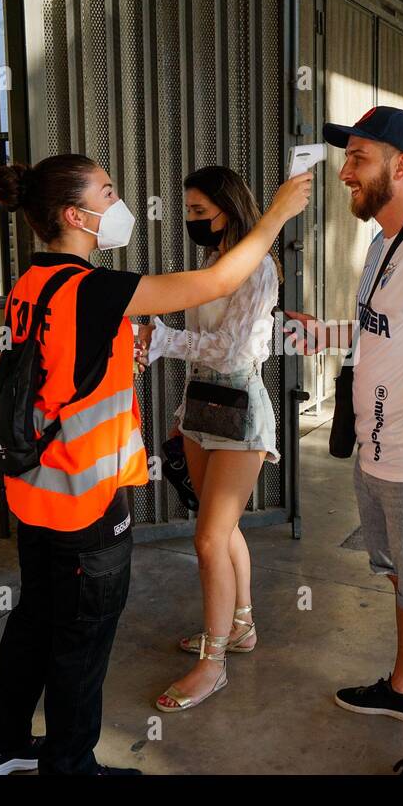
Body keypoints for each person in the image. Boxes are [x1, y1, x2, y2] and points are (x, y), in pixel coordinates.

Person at [0, 154, 311, 775]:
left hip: (37, 491)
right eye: (107, 191)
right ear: (76, 215)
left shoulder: (29, 285)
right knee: (83, 637)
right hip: (87, 497)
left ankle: (1, 746)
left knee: (36, 621)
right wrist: (276, 215)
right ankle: (71, 765)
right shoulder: (93, 289)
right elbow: (213, 285)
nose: (119, 201)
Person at [286, 106, 403, 775]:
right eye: (347, 158)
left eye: (359, 157)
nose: (345, 171)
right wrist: (325, 335)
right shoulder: (381, 244)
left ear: (402, 166)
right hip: (378, 455)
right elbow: (382, 330)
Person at [134, 166, 282, 712]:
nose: (192, 221)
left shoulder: (257, 266)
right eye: (189, 212)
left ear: (230, 206)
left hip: (241, 410)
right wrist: (182, 411)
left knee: (207, 539)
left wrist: (161, 337)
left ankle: (213, 663)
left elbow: (234, 351)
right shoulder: (212, 265)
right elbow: (205, 351)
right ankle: (240, 627)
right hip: (201, 409)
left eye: (200, 211)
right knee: (223, 530)